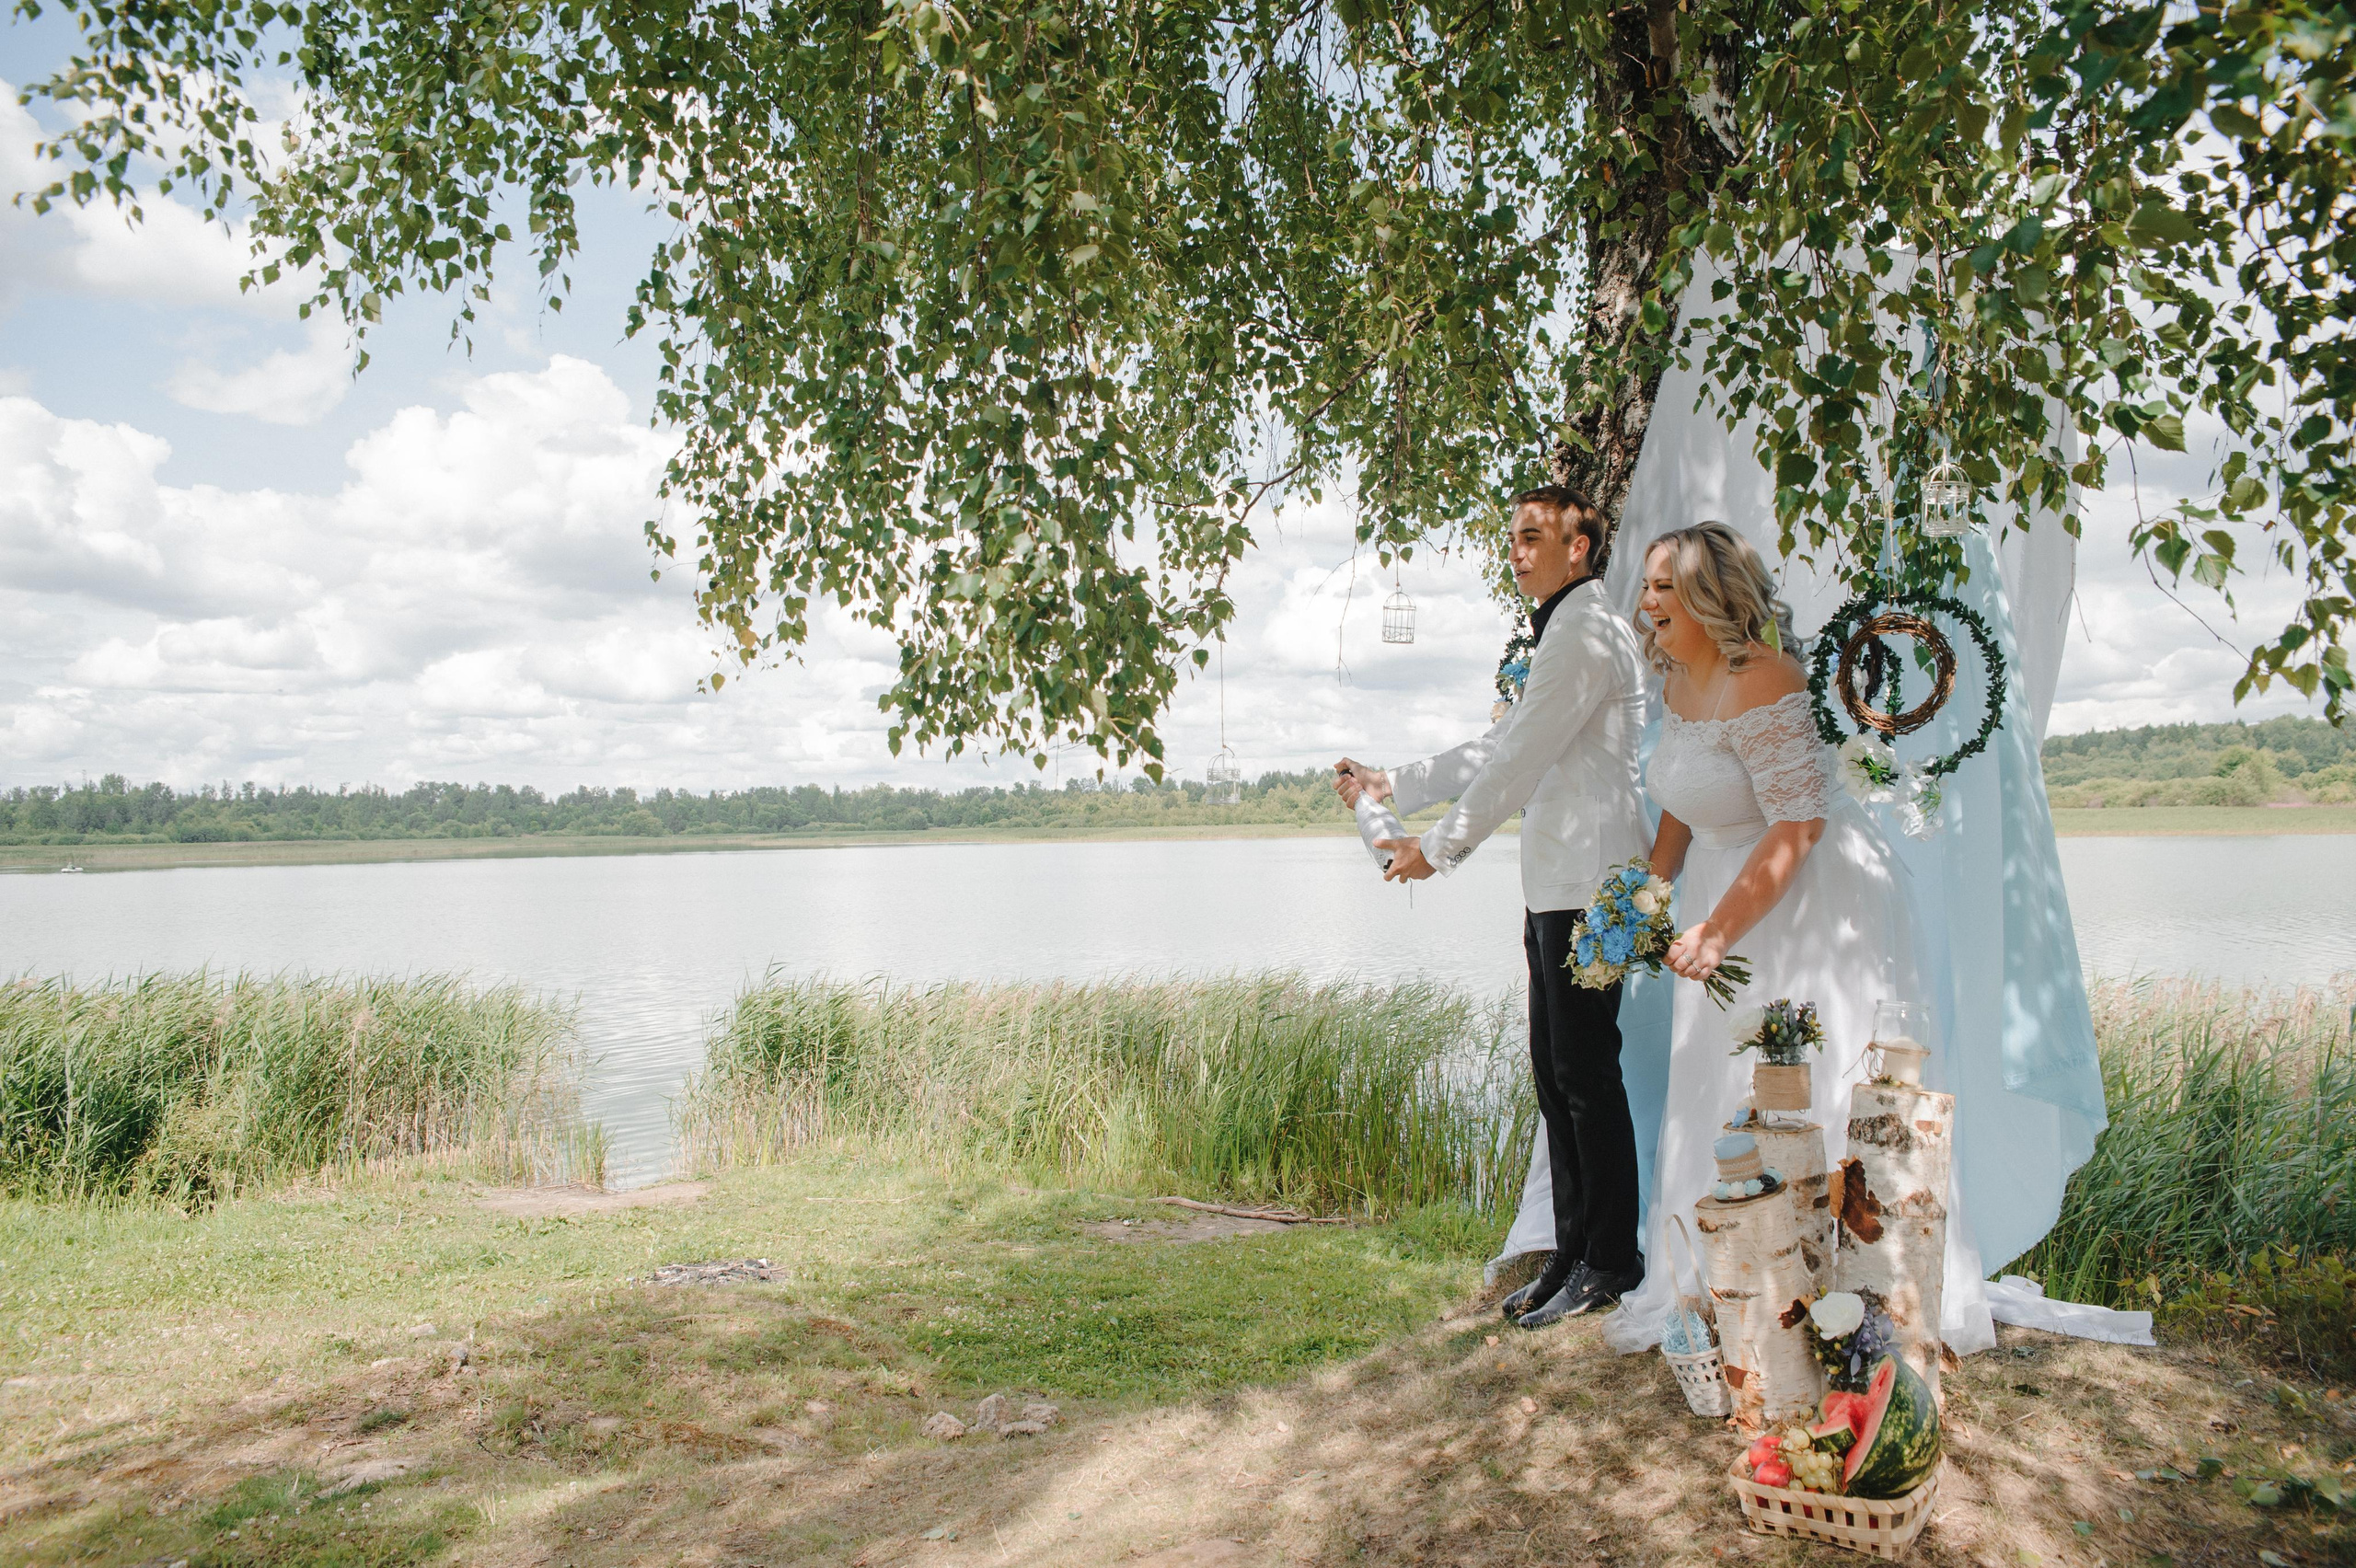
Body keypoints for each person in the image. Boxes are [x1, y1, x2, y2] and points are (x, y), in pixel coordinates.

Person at [1597, 522, 1958, 1352]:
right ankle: (1729, 1282)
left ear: (1708, 597)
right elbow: (1684, 806)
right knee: (1718, 1083)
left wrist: (1718, 931)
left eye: (1664, 587)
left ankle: (1830, 1295)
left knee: (1793, 1087)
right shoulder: (1681, 680)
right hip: (1728, 889)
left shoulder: (1761, 677)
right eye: (1645, 586)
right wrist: (1644, 900)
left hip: (1799, 903)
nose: (1646, 602)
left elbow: (1798, 824)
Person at [1334, 486, 1652, 1329]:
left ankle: (1612, 1261)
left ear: (1580, 547)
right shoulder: (1564, 631)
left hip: (1591, 886)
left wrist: (1434, 852)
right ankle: (1573, 1255)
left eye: (1534, 536)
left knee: (1586, 1077)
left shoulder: (1583, 632)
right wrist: (1390, 783)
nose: (1517, 551)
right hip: (1559, 884)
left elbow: (1516, 764)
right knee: (1559, 1076)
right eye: (1511, 537)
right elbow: (1503, 746)